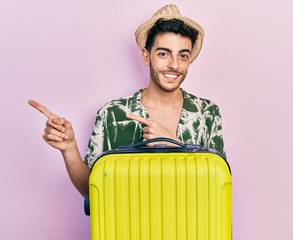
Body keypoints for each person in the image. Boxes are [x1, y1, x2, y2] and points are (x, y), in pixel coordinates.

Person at [29, 4, 225, 197]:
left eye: (183, 56)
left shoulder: (207, 113)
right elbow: (92, 191)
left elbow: (218, 189)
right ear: (146, 57)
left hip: (189, 228)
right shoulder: (113, 113)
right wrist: (69, 148)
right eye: (163, 54)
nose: (174, 65)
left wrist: (176, 147)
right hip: (127, 228)